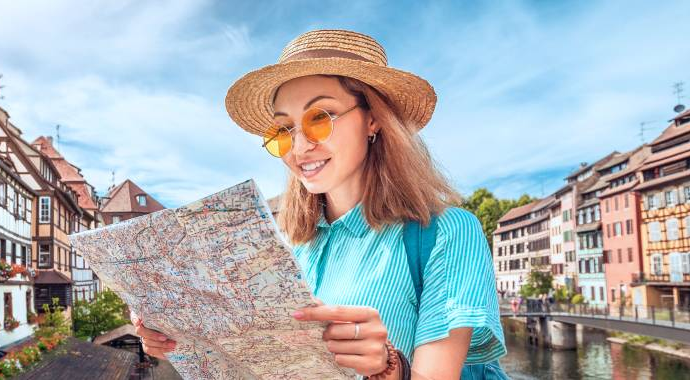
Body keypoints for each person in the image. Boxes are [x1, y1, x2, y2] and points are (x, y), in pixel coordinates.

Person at [134, 29, 507, 379]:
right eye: (284, 130)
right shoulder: (290, 249)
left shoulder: (447, 232)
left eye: (320, 118)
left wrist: (388, 367)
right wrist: (182, 340)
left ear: (373, 119)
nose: (298, 148)